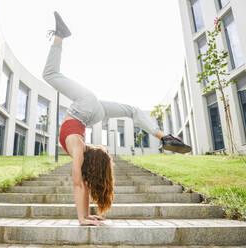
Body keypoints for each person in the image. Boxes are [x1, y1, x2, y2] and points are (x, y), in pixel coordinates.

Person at [42, 11, 191, 226]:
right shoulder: (78, 149)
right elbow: (78, 184)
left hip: (91, 111)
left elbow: (81, 184)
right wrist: (82, 218)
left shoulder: (80, 150)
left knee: (132, 111)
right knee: (50, 76)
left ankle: (164, 137)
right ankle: (60, 35)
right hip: (86, 106)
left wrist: (84, 217)